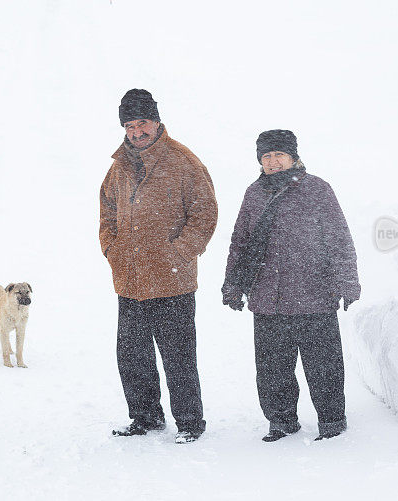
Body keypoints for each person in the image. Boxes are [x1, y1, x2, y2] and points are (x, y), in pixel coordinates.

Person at [222, 129, 361, 442]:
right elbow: (240, 242)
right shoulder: (254, 193)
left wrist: (347, 282)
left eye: (279, 155)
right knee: (272, 370)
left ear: (293, 157)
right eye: (267, 157)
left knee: (323, 366)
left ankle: (332, 421)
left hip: (314, 295)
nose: (273, 162)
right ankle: (282, 421)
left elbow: (339, 237)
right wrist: (232, 284)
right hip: (268, 298)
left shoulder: (317, 189)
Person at [99, 89, 218, 444]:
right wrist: (112, 248)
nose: (136, 132)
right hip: (130, 279)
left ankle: (189, 423)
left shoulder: (184, 162)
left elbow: (205, 213)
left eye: (142, 124)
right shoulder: (119, 166)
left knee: (178, 357)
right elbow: (107, 209)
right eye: (130, 125)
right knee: (132, 357)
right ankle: (146, 417)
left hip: (172, 281)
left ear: (157, 122)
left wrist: (180, 253)